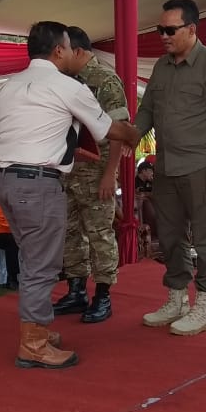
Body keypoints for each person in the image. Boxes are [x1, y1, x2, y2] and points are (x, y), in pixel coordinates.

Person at [0, 20, 139, 370]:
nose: (74, 53)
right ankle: (33, 344)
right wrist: (133, 134)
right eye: (69, 47)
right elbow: (107, 129)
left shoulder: (8, 86)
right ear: (58, 50)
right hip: (38, 183)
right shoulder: (67, 85)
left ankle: (36, 329)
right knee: (42, 265)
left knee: (32, 259)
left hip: (6, 181)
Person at [134, 0, 206, 336]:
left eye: (170, 30)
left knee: (205, 239)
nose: (163, 36)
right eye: (160, 30)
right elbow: (147, 111)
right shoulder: (161, 67)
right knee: (170, 236)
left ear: (191, 29)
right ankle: (176, 299)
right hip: (165, 167)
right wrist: (129, 136)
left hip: (200, 168)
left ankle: (204, 306)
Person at [52, 26, 131, 324]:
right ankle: (76, 291)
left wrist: (110, 174)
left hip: (97, 174)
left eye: (63, 51)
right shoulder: (66, 81)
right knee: (70, 232)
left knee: (99, 235)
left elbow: (120, 130)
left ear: (78, 51)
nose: (59, 57)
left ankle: (103, 295)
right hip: (69, 171)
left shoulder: (105, 80)